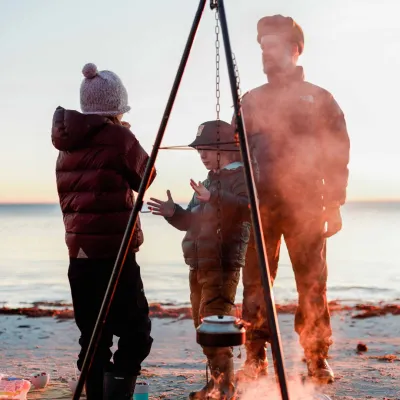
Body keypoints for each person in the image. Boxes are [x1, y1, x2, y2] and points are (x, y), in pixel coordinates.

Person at [234, 15, 350, 383]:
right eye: (262, 46)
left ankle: (316, 359)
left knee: (313, 283)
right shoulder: (250, 100)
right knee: (254, 284)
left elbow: (337, 152)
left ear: (295, 49)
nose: (266, 53)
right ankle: (256, 357)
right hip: (259, 206)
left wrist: (333, 202)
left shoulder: (319, 98)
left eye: (274, 45)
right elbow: (235, 154)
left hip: (306, 206)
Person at [51, 63, 156, 399]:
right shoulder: (119, 138)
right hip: (115, 253)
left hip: (79, 255)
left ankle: (98, 392)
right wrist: (130, 140)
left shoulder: (65, 145)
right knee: (137, 333)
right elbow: (146, 177)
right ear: (116, 107)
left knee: (93, 337)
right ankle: (118, 388)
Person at [147, 120, 250, 399]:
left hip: (222, 264)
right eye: (198, 151)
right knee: (202, 326)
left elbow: (247, 209)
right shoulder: (207, 181)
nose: (201, 155)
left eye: (205, 149)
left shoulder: (241, 175)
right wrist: (173, 213)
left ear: (223, 148)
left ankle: (226, 388)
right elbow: (192, 221)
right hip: (198, 262)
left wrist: (214, 196)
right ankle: (217, 383)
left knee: (217, 326)